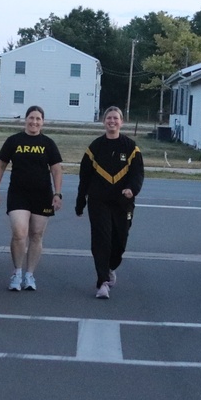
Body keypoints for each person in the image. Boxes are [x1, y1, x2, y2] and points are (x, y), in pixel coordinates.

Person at [0, 105, 64, 291]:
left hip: (42, 195)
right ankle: (17, 272)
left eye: (38, 119)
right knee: (19, 233)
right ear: (26, 119)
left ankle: (30, 275)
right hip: (18, 194)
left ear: (43, 122)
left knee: (36, 235)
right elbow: (1, 166)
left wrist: (57, 193)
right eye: (31, 118)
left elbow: (56, 169)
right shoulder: (14, 141)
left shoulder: (48, 143)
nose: (34, 122)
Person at [75, 106, 144, 299]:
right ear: (104, 121)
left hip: (123, 202)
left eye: (116, 118)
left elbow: (137, 173)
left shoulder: (131, 148)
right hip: (99, 201)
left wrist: (132, 189)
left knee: (119, 240)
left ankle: (111, 267)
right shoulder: (94, 147)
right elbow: (84, 177)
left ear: (121, 122)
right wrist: (80, 202)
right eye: (109, 118)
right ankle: (102, 282)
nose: (112, 121)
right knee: (101, 239)